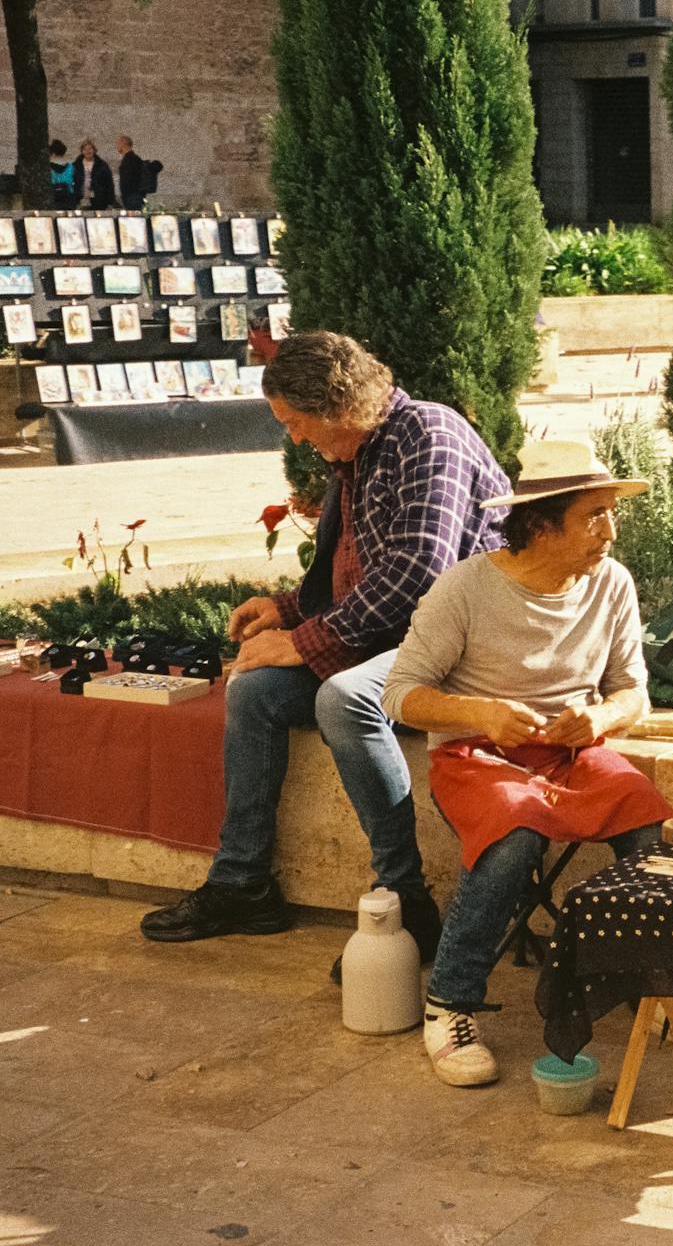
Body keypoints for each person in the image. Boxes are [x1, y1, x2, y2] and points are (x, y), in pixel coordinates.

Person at [140, 331, 511, 966]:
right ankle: (243, 883)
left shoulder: (429, 435)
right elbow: (360, 572)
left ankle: (403, 897)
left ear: (337, 405)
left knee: (344, 698)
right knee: (255, 693)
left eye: (296, 422)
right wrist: (285, 610)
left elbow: (419, 572)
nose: (295, 439)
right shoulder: (359, 454)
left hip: (465, 645)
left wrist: (305, 641)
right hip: (401, 636)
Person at [382, 439, 673, 1087]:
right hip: (475, 756)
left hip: (571, 753)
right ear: (542, 525)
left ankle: (664, 989)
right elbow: (398, 694)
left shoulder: (612, 583)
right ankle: (450, 1004)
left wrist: (599, 719)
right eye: (593, 515)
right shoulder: (464, 588)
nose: (611, 530)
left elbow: (634, 692)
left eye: (611, 512)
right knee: (515, 836)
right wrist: (483, 713)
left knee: (646, 818)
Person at [73, 138, 115, 210]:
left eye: (90, 149)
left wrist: (110, 202)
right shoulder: (76, 165)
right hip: (81, 199)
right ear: (82, 151)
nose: (87, 151)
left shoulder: (102, 165)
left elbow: (109, 184)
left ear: (94, 150)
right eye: (85, 149)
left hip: (99, 200)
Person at [116, 135, 149, 211]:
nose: (117, 146)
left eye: (118, 143)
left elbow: (128, 180)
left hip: (132, 197)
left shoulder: (130, 159)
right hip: (134, 197)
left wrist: (125, 195)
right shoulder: (133, 158)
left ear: (123, 144)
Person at [49, 140, 77, 209]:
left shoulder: (47, 168)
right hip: (69, 199)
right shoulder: (71, 167)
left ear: (52, 153)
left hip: (53, 198)